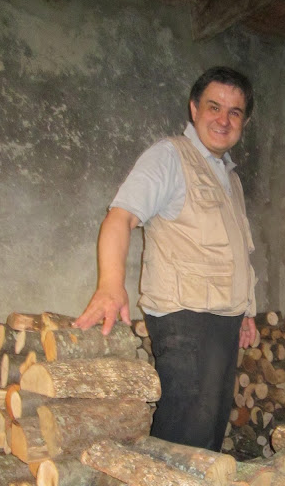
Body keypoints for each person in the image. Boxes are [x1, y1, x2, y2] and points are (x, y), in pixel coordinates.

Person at [75, 66, 257, 452]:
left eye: (235, 112)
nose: (223, 120)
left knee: (208, 437)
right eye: (214, 107)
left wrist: (246, 309)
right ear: (194, 109)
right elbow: (120, 217)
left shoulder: (230, 179)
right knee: (184, 439)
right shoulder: (169, 156)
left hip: (224, 321)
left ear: (243, 122)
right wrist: (110, 284)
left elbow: (236, 251)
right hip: (186, 318)